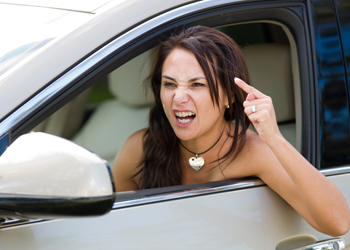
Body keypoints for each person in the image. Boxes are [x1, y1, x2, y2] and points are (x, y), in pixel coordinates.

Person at [112, 26, 350, 236]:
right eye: (169, 84)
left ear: (228, 95)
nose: (179, 97)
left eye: (197, 84)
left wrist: (274, 138)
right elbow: (108, 229)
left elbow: (338, 224)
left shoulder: (254, 151)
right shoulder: (140, 148)